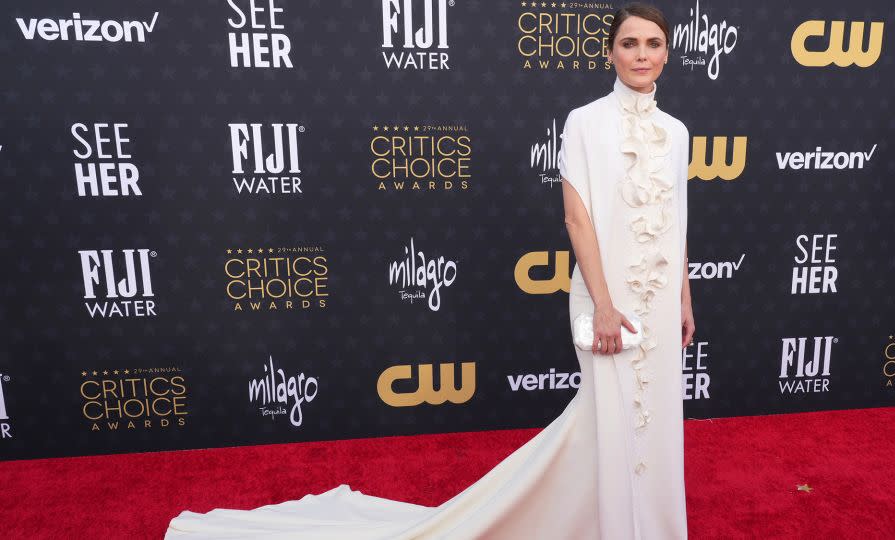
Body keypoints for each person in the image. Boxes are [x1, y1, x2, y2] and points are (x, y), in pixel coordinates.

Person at [165, 3, 693, 538]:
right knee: (606, 419)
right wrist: (603, 304)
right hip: (607, 301)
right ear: (609, 52)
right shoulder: (585, 122)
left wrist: (684, 299)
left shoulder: (678, 133)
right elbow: (576, 219)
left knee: (654, 424)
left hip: (659, 301)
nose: (641, 55)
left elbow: (677, 223)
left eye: (652, 44)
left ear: (667, 52)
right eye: (629, 43)